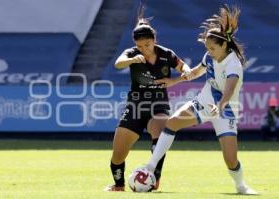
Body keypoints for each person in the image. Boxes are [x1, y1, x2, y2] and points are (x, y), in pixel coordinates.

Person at [143, 5, 258, 195]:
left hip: (225, 108)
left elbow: (229, 90)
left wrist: (220, 106)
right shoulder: (210, 56)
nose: (209, 52)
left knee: (231, 160)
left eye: (212, 48)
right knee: (172, 123)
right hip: (204, 102)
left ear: (224, 45)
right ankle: (151, 166)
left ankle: (241, 186)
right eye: (207, 48)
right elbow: (196, 72)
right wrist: (174, 80)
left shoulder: (233, 64)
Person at [104, 6, 192, 191]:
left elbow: (184, 68)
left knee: (159, 134)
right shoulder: (132, 54)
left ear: (154, 40)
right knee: (118, 154)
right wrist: (132, 60)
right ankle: (119, 185)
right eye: (140, 46)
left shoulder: (166, 54)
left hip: (158, 104)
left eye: (147, 45)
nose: (144, 49)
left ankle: (154, 178)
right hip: (136, 105)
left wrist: (176, 78)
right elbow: (118, 63)